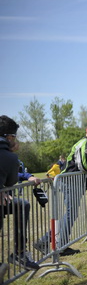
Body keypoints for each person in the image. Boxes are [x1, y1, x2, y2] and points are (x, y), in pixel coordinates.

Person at [34, 123, 87, 257]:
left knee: (70, 214)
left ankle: (53, 243)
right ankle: (58, 245)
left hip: (73, 182)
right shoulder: (85, 144)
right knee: (70, 215)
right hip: (70, 183)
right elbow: (84, 166)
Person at [0, 115, 40, 273]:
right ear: (9, 137)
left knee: (20, 205)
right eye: (14, 137)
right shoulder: (9, 157)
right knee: (22, 205)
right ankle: (19, 253)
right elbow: (11, 181)